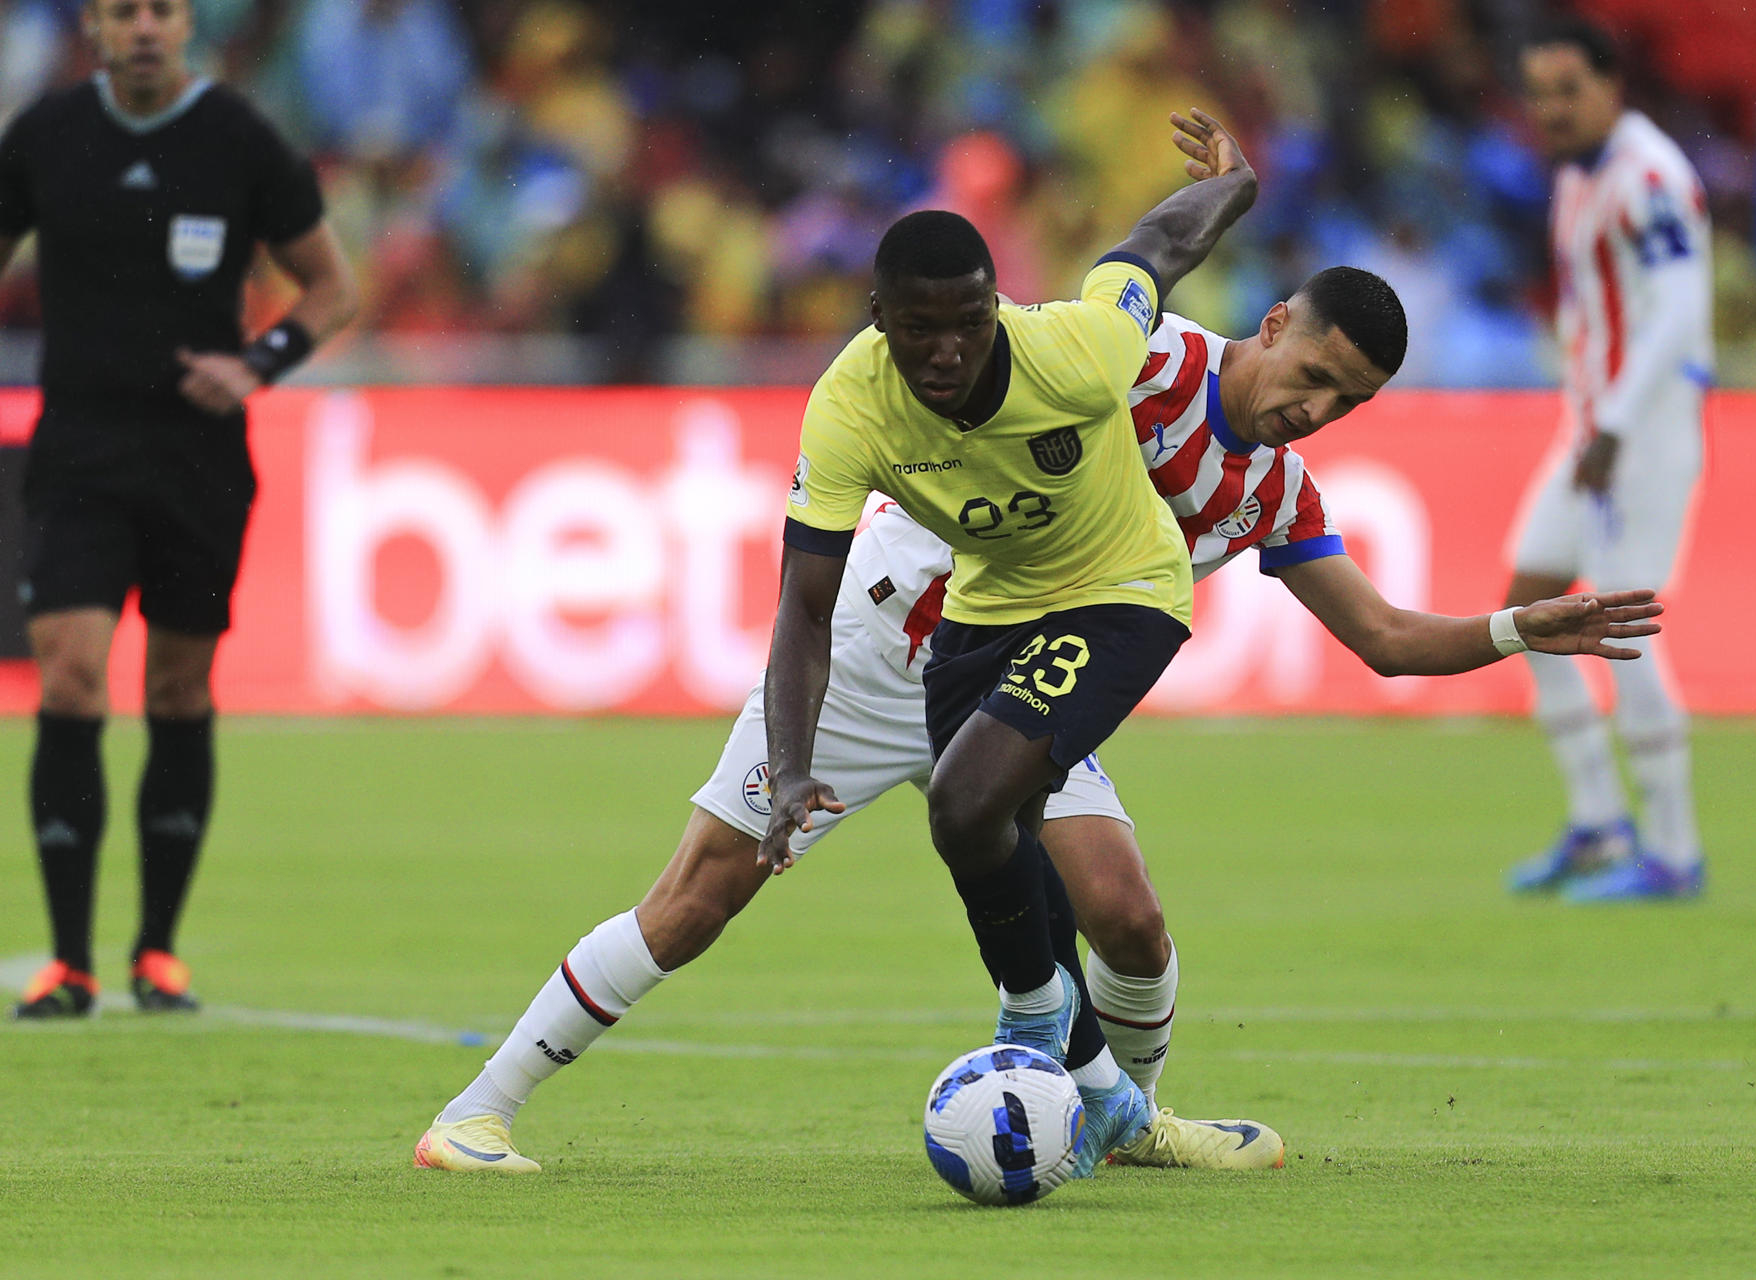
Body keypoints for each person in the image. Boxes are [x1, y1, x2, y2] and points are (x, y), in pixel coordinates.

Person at [414, 264, 1663, 1172]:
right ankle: (479, 1108)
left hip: (1025, 684)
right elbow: (1053, 320)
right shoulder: (1139, 356)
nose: (1315, 409)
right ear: (1273, 324)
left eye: (1347, 404)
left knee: (1126, 908)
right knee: (698, 896)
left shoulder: (1276, 488)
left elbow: (1385, 639)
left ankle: (1125, 1114)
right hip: (880, 643)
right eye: (1315, 375)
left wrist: (1514, 629)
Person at [0, 0, 358, 1017]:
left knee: (178, 687)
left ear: (186, 25)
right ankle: (68, 961)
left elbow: (333, 289)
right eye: (124, 13)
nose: (144, 28)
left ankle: (156, 951)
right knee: (68, 676)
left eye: (160, 10)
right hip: (77, 449)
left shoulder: (239, 139)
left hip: (197, 458)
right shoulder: (46, 136)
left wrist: (259, 363)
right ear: (97, 29)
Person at [1501, 19, 1712, 903]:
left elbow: (1679, 305)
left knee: (1623, 628)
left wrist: (1619, 422)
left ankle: (1672, 850)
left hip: (1640, 432)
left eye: (1568, 91)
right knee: (1529, 604)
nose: (1551, 110)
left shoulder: (1649, 175)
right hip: (1590, 430)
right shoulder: (1578, 178)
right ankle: (1597, 824)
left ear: (1612, 85)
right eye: (1539, 93)